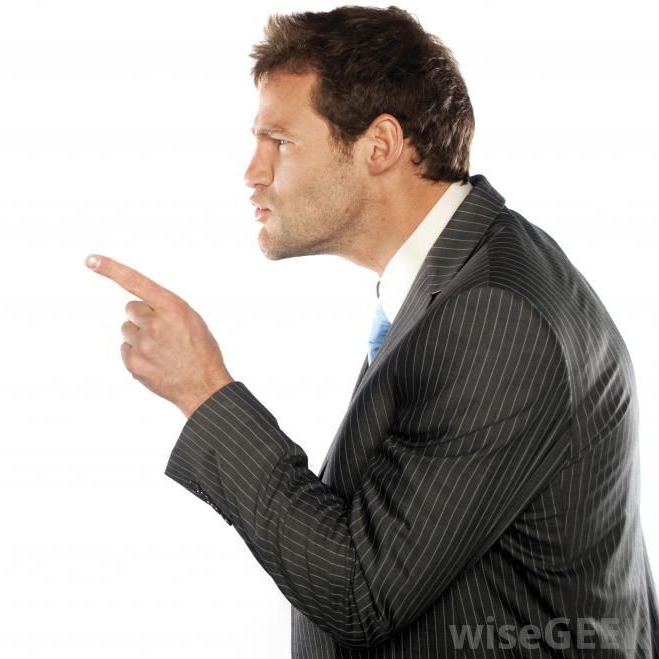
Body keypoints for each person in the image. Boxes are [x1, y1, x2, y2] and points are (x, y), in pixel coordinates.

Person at [87, 7, 658, 657]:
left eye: (280, 141)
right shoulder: (457, 277)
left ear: (380, 146)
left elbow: (361, 589)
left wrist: (204, 389)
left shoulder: (494, 310)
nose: (252, 171)